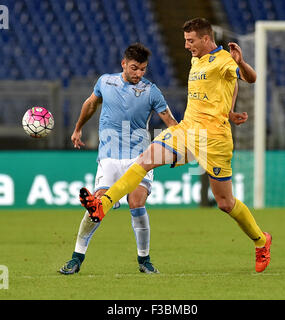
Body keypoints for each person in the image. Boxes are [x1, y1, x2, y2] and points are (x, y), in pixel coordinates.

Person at [79, 18, 272, 273]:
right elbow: (224, 86)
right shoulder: (197, 59)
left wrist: (241, 62)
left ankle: (261, 240)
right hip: (187, 130)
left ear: (205, 38)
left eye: (190, 41)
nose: (186, 46)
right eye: (184, 40)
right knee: (145, 160)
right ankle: (101, 206)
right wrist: (230, 109)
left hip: (213, 139)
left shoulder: (225, 59)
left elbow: (250, 78)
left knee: (225, 202)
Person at [59, 43, 178, 275]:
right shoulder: (105, 81)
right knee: (97, 206)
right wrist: (78, 128)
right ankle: (76, 258)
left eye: (143, 69)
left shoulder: (151, 91)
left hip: (140, 157)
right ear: (123, 64)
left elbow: (171, 122)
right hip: (109, 157)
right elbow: (90, 103)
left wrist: (181, 146)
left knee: (137, 202)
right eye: (134, 68)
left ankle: (144, 260)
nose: (139, 74)